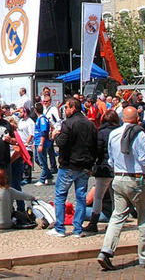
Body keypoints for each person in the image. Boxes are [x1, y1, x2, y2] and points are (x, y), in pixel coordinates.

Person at [97, 105, 145, 270]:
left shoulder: (114, 134)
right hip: (135, 179)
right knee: (144, 218)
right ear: (137, 119)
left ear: (123, 119)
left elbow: (110, 160)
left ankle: (106, 251)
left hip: (118, 178)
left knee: (117, 217)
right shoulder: (140, 134)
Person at [48, 97, 96, 238]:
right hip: (85, 165)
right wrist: (92, 163)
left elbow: (62, 143)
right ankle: (78, 229)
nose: (65, 110)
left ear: (73, 108)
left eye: (66, 108)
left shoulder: (68, 124)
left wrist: (55, 135)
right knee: (81, 197)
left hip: (69, 165)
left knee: (60, 196)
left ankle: (60, 228)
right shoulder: (90, 124)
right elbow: (95, 145)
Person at [87, 108, 120, 232]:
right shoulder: (120, 131)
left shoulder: (100, 132)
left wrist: (93, 165)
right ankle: (115, 222)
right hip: (117, 167)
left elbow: (97, 150)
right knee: (115, 196)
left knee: (98, 197)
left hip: (103, 167)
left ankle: (93, 223)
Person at [33, 102, 53, 185]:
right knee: (37, 159)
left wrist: (41, 143)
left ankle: (42, 179)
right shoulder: (39, 119)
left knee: (42, 160)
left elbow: (44, 132)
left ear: (35, 110)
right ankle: (49, 176)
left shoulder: (42, 119)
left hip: (42, 143)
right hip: (37, 142)